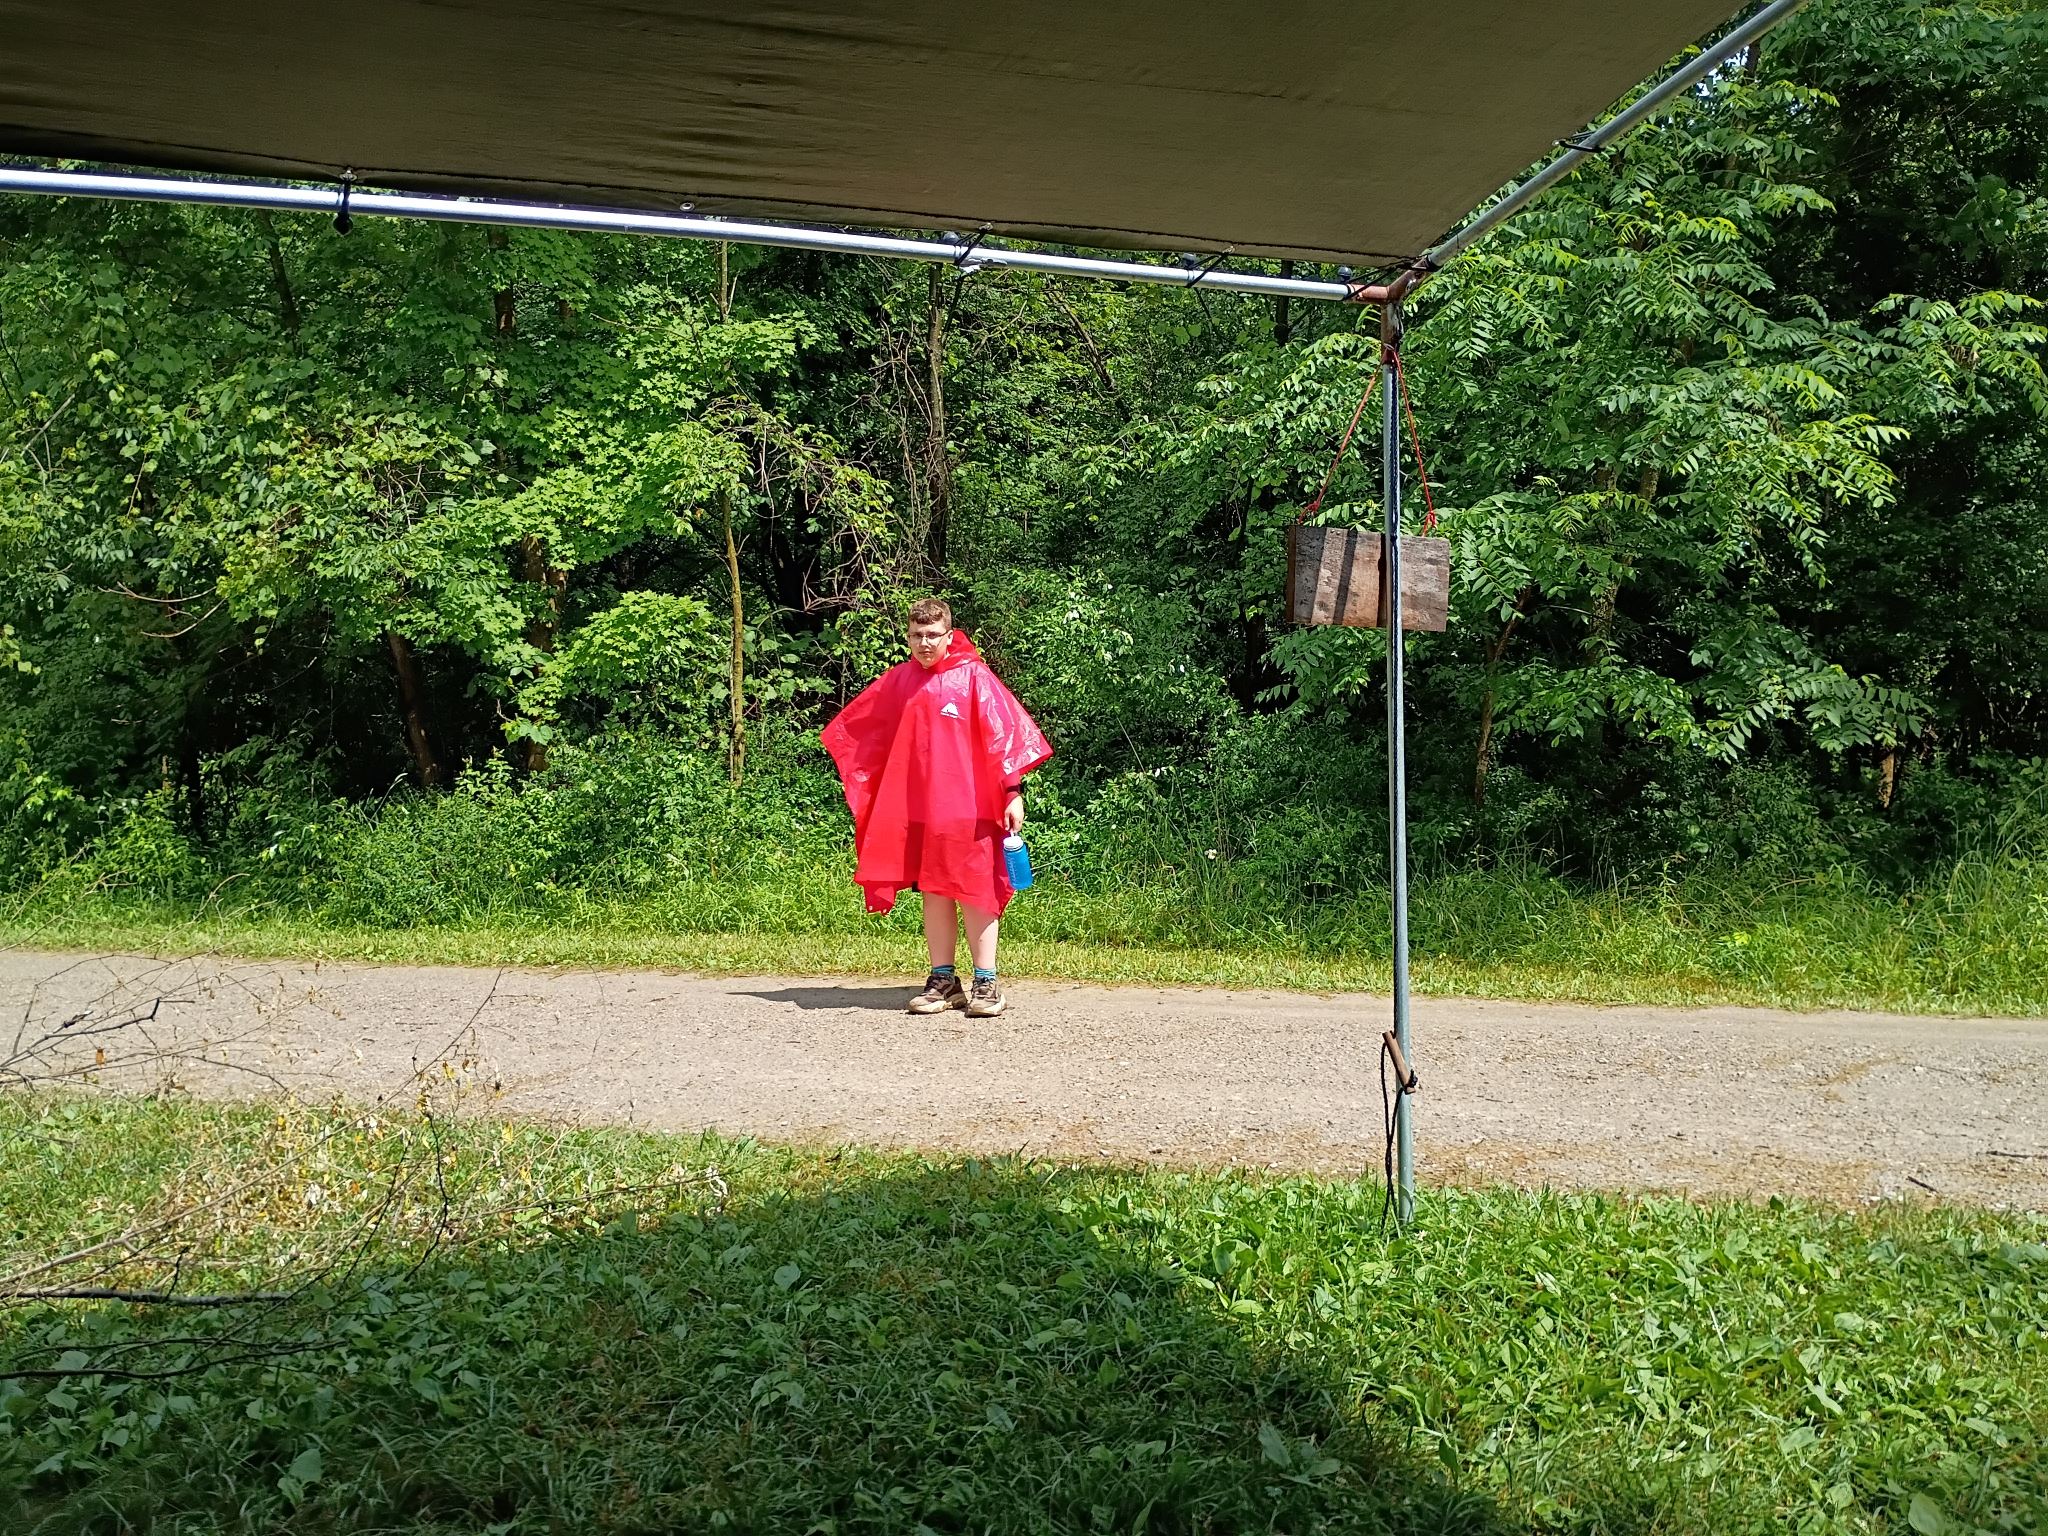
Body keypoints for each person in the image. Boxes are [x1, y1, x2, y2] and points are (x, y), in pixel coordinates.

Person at [822, 597, 1051, 1017]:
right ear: (907, 637)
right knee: (935, 890)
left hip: (972, 807)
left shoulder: (974, 677)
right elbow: (861, 731)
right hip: (923, 808)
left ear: (949, 635)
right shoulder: (900, 681)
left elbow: (1003, 739)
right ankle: (943, 980)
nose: (924, 643)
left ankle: (986, 983)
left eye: (932, 635)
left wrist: (1012, 792)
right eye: (916, 635)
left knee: (977, 890)